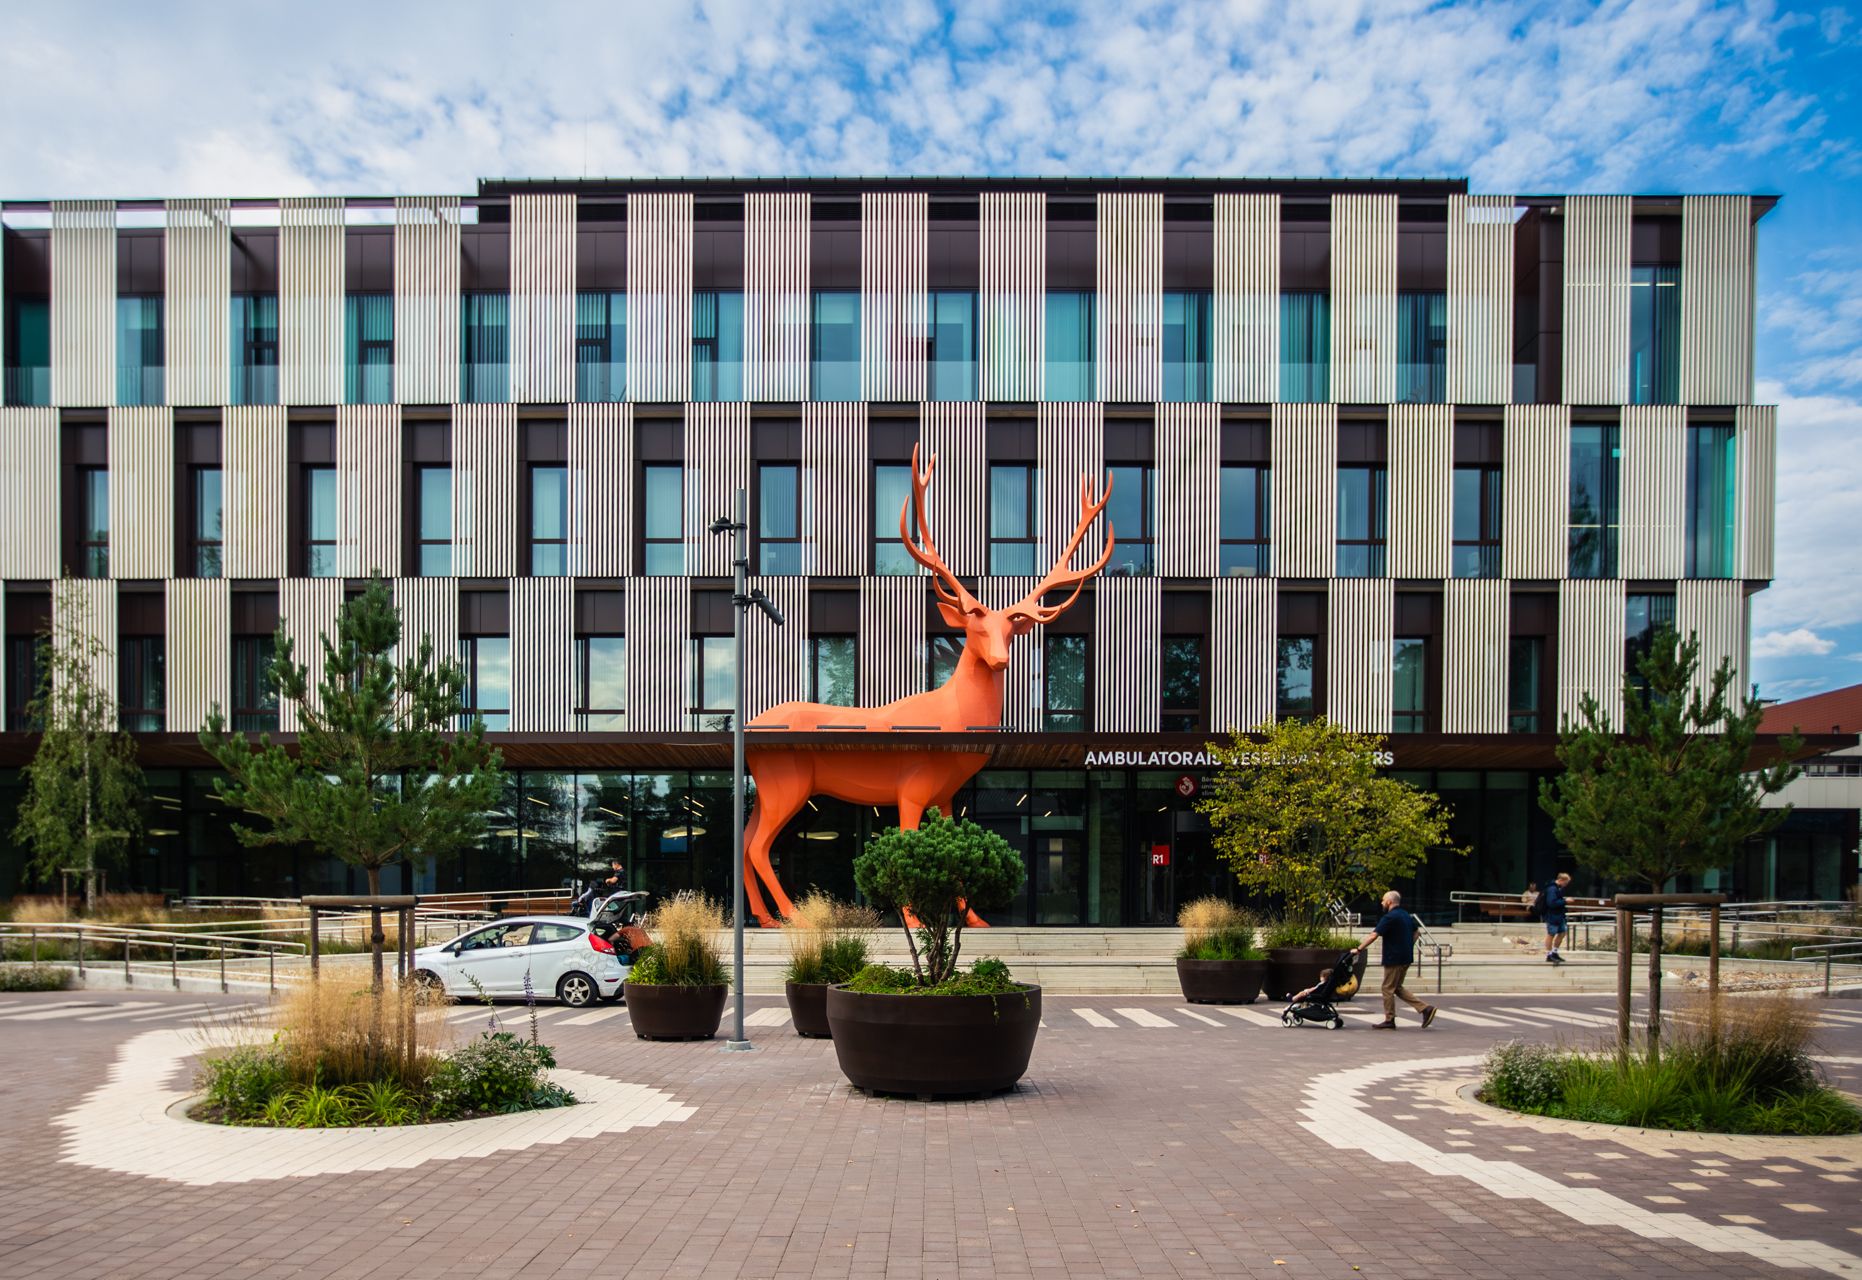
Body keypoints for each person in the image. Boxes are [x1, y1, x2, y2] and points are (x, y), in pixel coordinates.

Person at [1351, 890, 1438, 1029]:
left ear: (1389, 902)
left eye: (1383, 900)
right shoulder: (1405, 915)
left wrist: (1359, 949)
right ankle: (1425, 1009)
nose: (1381, 903)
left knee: (1387, 988)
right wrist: (1408, 946)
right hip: (1406, 957)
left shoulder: (1390, 917)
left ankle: (1389, 1019)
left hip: (1394, 958)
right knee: (1396, 987)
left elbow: (1374, 935)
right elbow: (1417, 932)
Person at [1542, 871, 1571, 964]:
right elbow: (1551, 903)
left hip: (1559, 915)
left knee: (1562, 932)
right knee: (1551, 934)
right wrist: (1565, 901)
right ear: (1561, 880)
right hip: (1552, 915)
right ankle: (1549, 954)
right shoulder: (1552, 889)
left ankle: (1554, 952)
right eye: (1565, 883)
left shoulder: (1557, 888)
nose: (1566, 885)